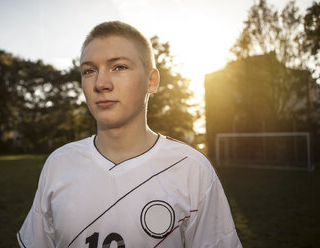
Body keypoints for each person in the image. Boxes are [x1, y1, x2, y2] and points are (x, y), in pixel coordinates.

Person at [17, 21, 242, 248]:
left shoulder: (191, 169)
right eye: (89, 71)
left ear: (151, 81)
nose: (101, 83)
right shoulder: (59, 164)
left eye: (119, 67)